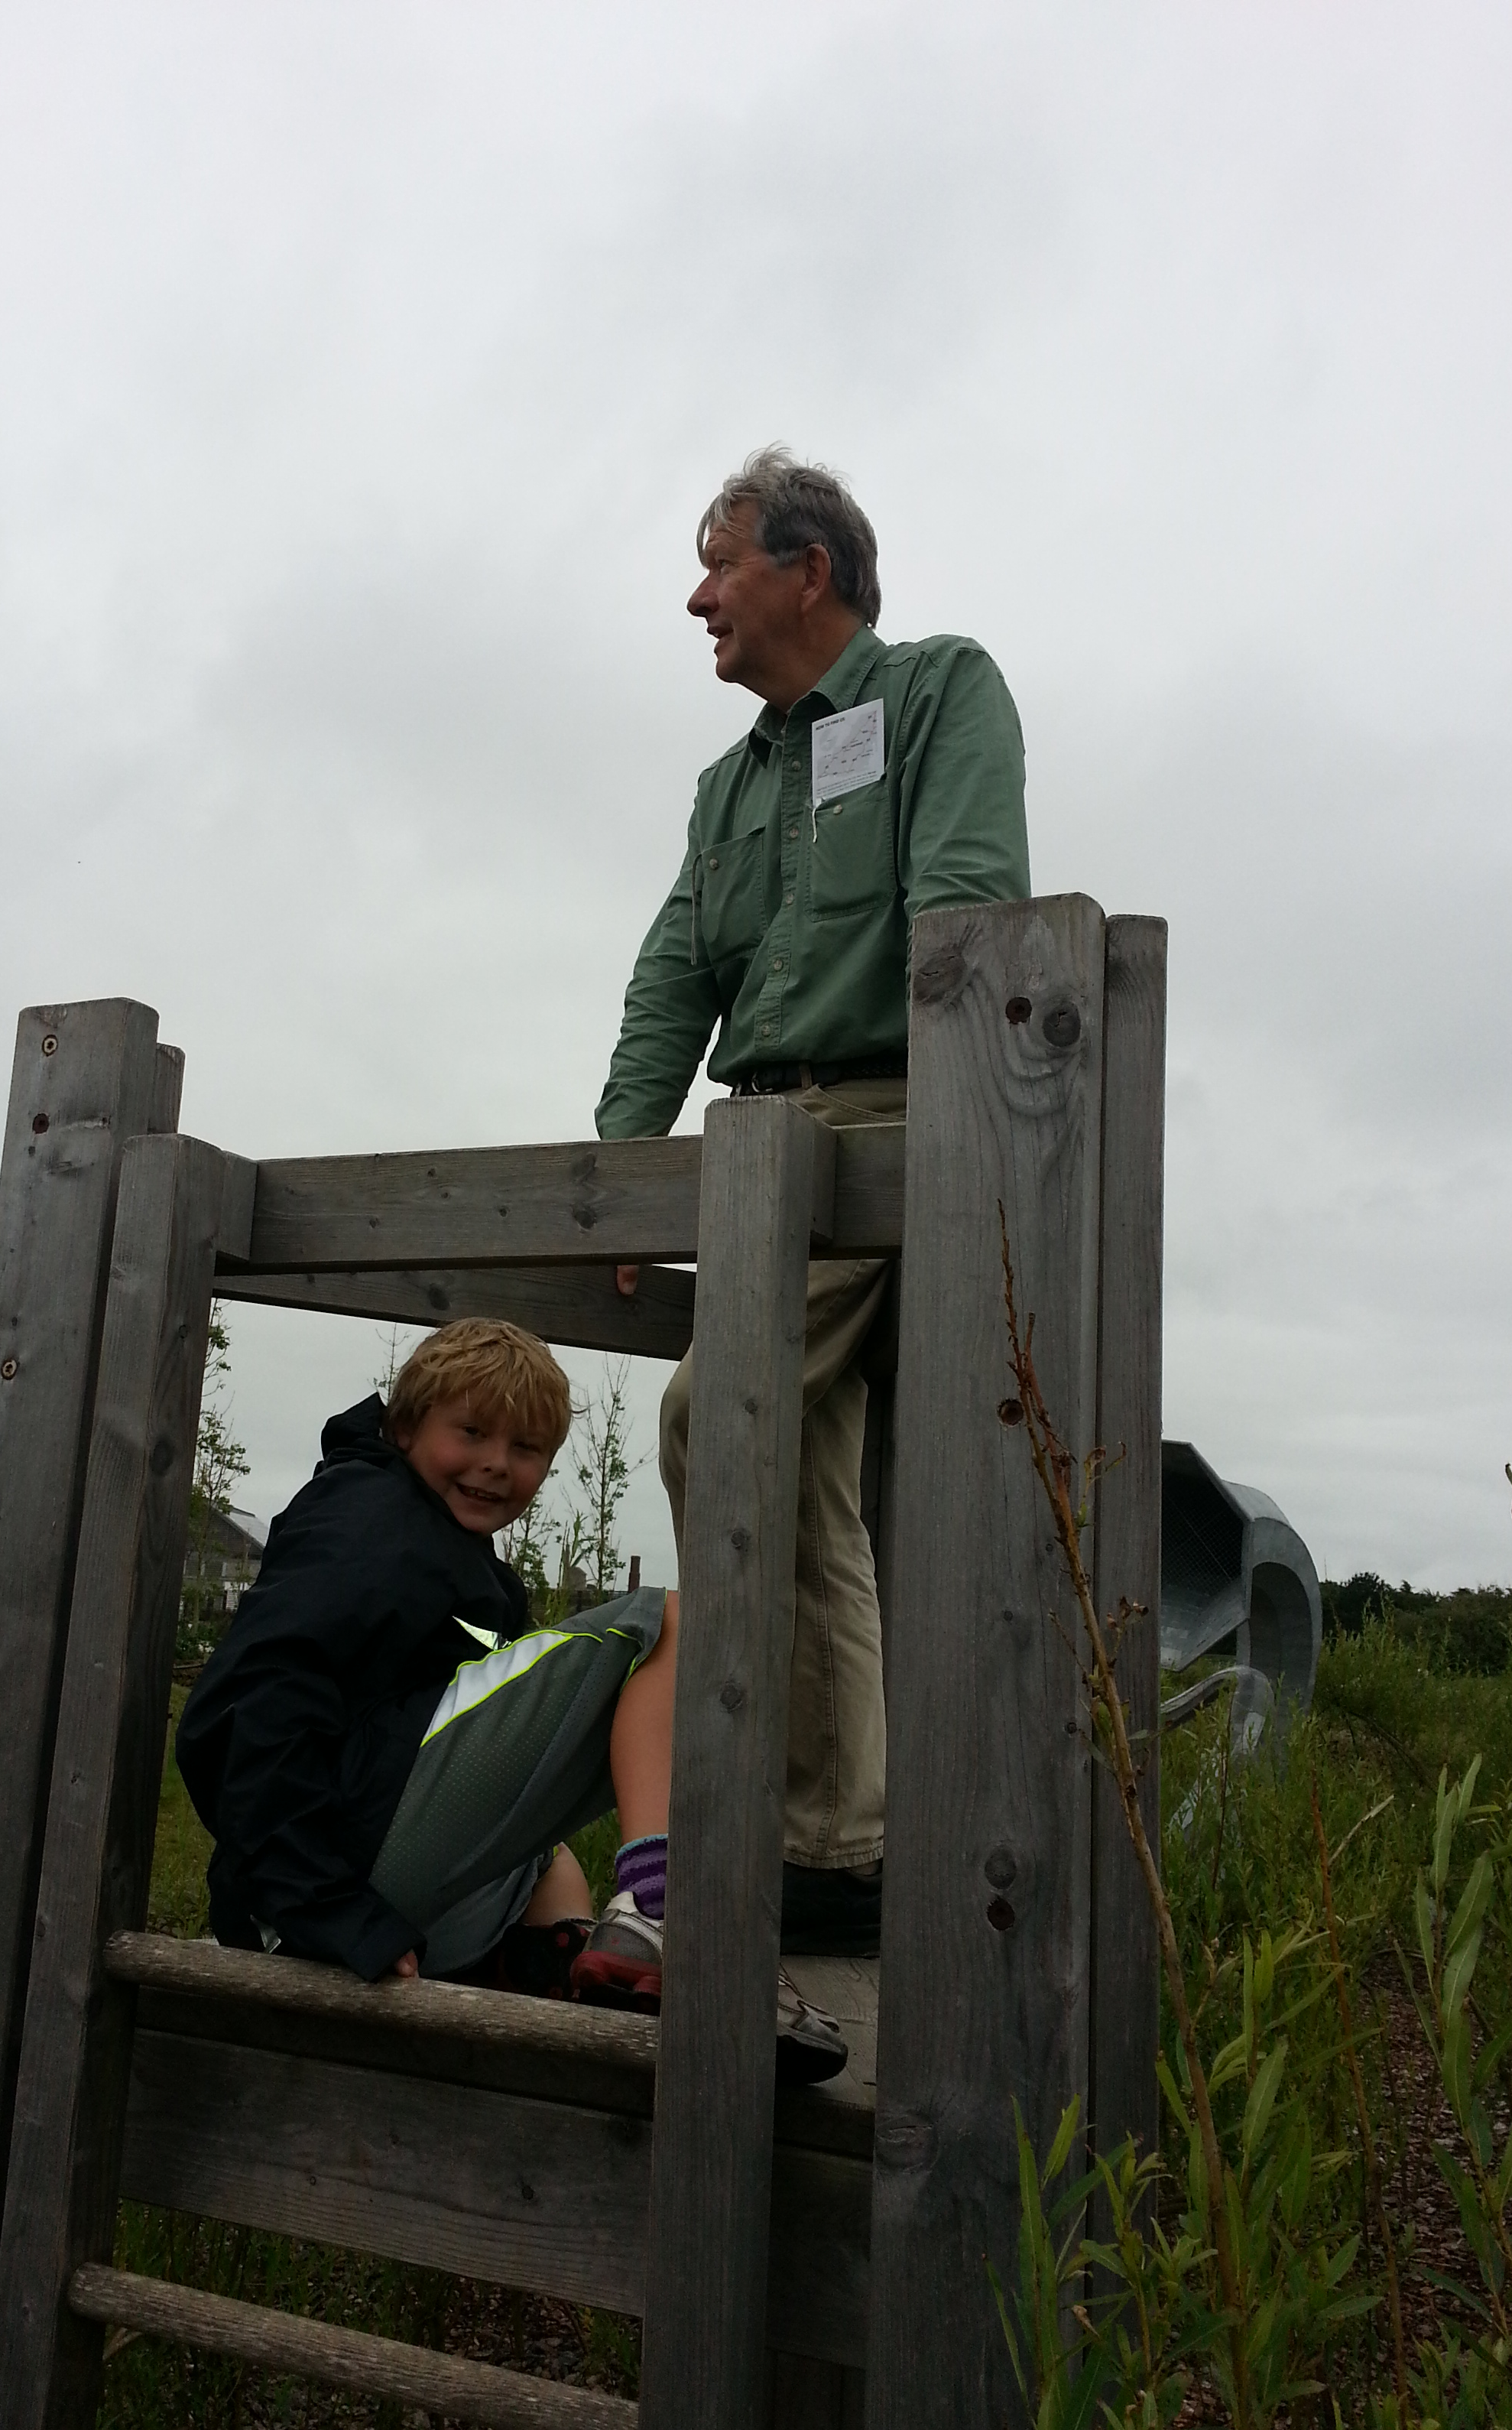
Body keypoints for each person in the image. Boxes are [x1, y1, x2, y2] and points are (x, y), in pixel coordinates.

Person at [596, 448, 1031, 1957]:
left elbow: (965, 909)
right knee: (799, 1465)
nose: (696, 597)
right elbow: (674, 975)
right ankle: (839, 1830)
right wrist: (622, 1170)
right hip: (752, 1143)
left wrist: (957, 1148)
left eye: (720, 563)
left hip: (887, 1118)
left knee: (718, 1417)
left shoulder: (934, 692)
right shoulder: (726, 786)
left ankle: (824, 1833)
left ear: (811, 572)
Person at [175, 1317, 846, 2079]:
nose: (496, 1464)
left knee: (547, 1860)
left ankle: (561, 1973)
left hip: (358, 1880)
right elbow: (242, 1716)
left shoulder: (454, 1559)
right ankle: (659, 1913)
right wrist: (326, 1908)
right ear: (404, 1428)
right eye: (471, 1433)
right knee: (668, 1624)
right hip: (308, 1891)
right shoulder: (367, 1521)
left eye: (526, 1449)